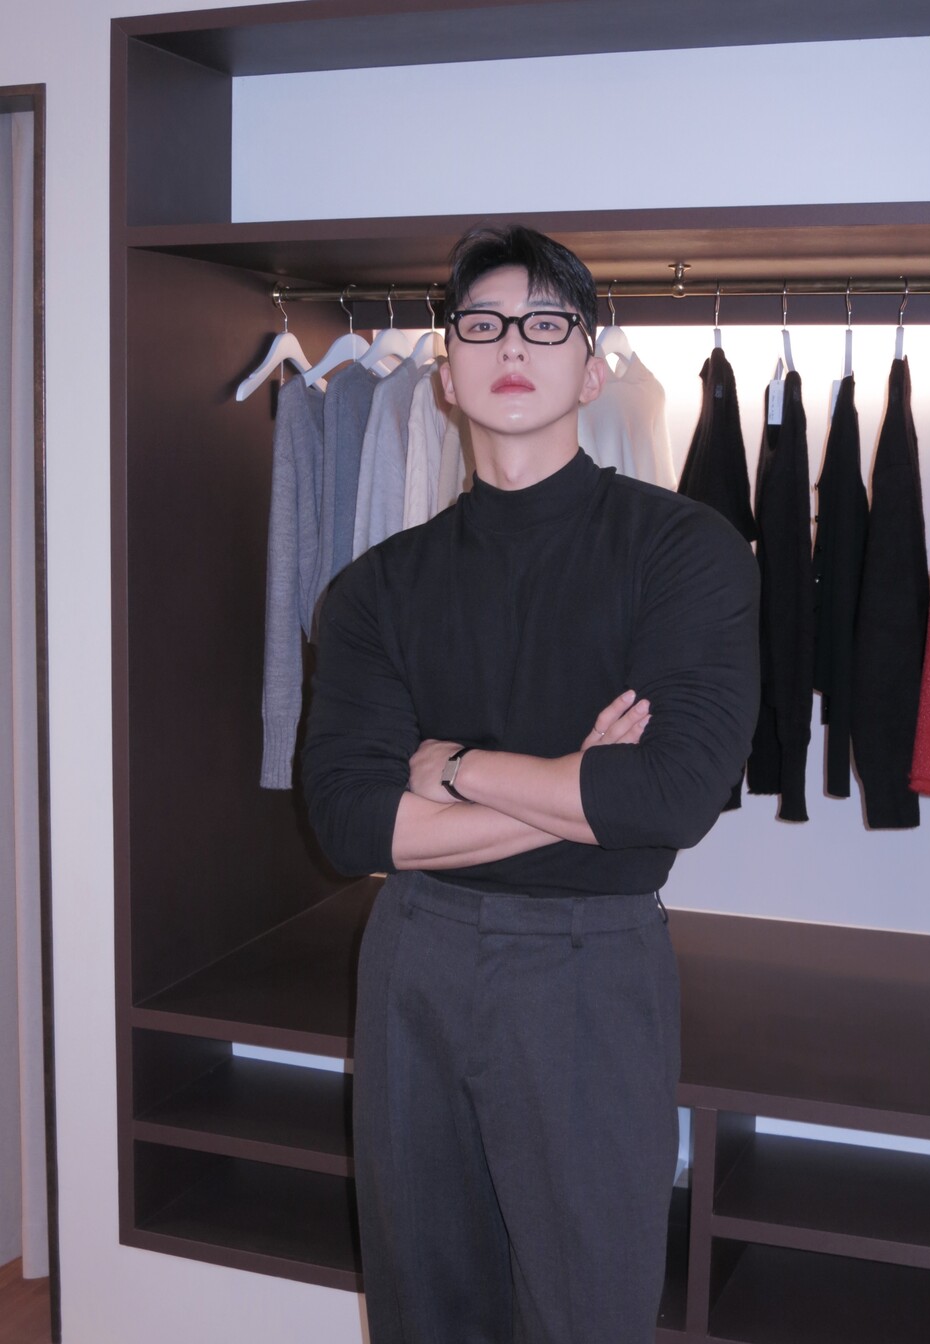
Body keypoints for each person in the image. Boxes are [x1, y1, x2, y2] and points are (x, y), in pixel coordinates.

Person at [302, 224, 760, 1344]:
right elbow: (352, 824)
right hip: (415, 959)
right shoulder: (373, 590)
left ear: (592, 370)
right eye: (483, 324)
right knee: (426, 1304)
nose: (513, 344)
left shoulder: (684, 550)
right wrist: (577, 791)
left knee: (585, 1309)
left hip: (592, 968)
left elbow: (670, 800)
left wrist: (455, 770)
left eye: (547, 323)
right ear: (446, 372)